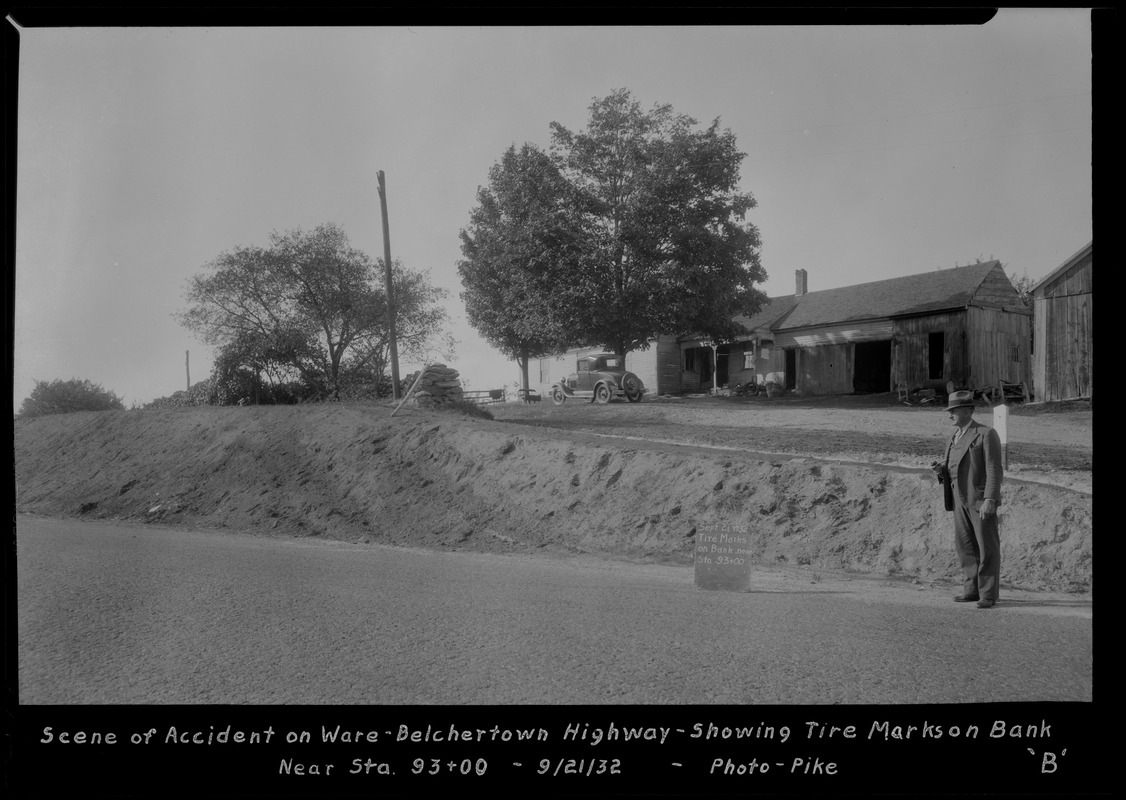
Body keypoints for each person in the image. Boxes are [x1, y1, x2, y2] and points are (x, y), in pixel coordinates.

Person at [931, 390, 1004, 609]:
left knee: (986, 547)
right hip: (957, 499)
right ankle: (971, 590)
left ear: (968, 411)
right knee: (965, 547)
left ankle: (988, 594)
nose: (949, 415)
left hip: (979, 499)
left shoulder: (986, 433)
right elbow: (956, 468)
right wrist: (941, 471)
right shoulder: (952, 438)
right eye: (949, 411)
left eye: (953, 411)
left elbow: (994, 469)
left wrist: (990, 498)